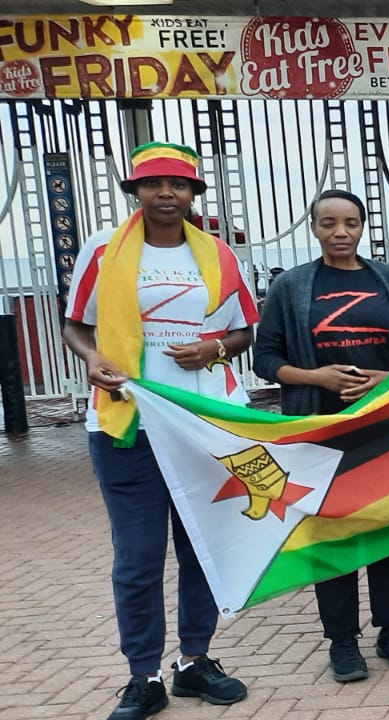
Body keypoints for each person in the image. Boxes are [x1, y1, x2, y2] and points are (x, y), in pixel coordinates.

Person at [63, 141, 254, 719]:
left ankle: (194, 661)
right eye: (153, 184)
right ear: (135, 192)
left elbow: (244, 330)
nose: (165, 194)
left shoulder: (219, 254)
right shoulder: (103, 249)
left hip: (201, 423)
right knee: (139, 557)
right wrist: (91, 361)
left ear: (194, 193)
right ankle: (142, 675)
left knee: (201, 547)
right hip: (127, 425)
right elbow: (76, 324)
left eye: (178, 184)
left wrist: (215, 347)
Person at [252, 190, 389, 682]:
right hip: (318, 430)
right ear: (314, 227)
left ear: (362, 226)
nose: (340, 232)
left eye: (350, 223)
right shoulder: (291, 287)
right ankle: (342, 642)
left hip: (384, 426)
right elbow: (263, 358)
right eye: (329, 223)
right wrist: (317, 378)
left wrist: (388, 380)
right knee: (331, 534)